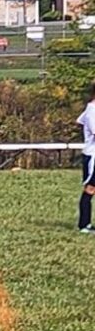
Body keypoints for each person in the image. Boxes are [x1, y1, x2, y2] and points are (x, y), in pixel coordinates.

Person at [76, 82, 95, 234]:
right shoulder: (92, 112)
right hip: (93, 156)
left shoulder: (90, 109)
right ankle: (84, 225)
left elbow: (79, 121)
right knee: (90, 188)